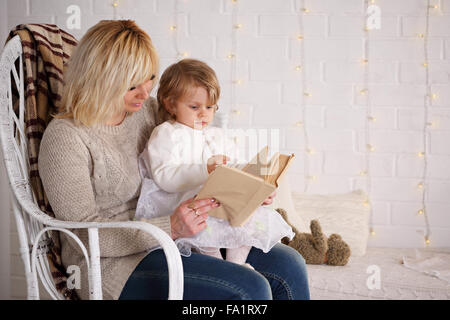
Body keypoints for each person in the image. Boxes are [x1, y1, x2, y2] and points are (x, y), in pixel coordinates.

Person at [38, 19, 310, 300]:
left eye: (150, 78)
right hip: (111, 263)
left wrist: (250, 190)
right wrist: (171, 227)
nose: (146, 93)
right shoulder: (66, 138)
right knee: (248, 289)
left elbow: (194, 148)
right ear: (101, 79)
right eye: (132, 85)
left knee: (289, 265)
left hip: (182, 237)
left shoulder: (146, 111)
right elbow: (83, 235)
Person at [136, 58, 294, 270]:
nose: (204, 113)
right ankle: (219, 266)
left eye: (210, 107)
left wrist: (256, 185)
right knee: (205, 224)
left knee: (250, 217)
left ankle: (236, 264)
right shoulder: (167, 134)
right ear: (170, 103)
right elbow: (165, 177)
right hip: (186, 203)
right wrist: (205, 169)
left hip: (220, 199)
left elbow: (235, 165)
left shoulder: (217, 135)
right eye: (194, 106)